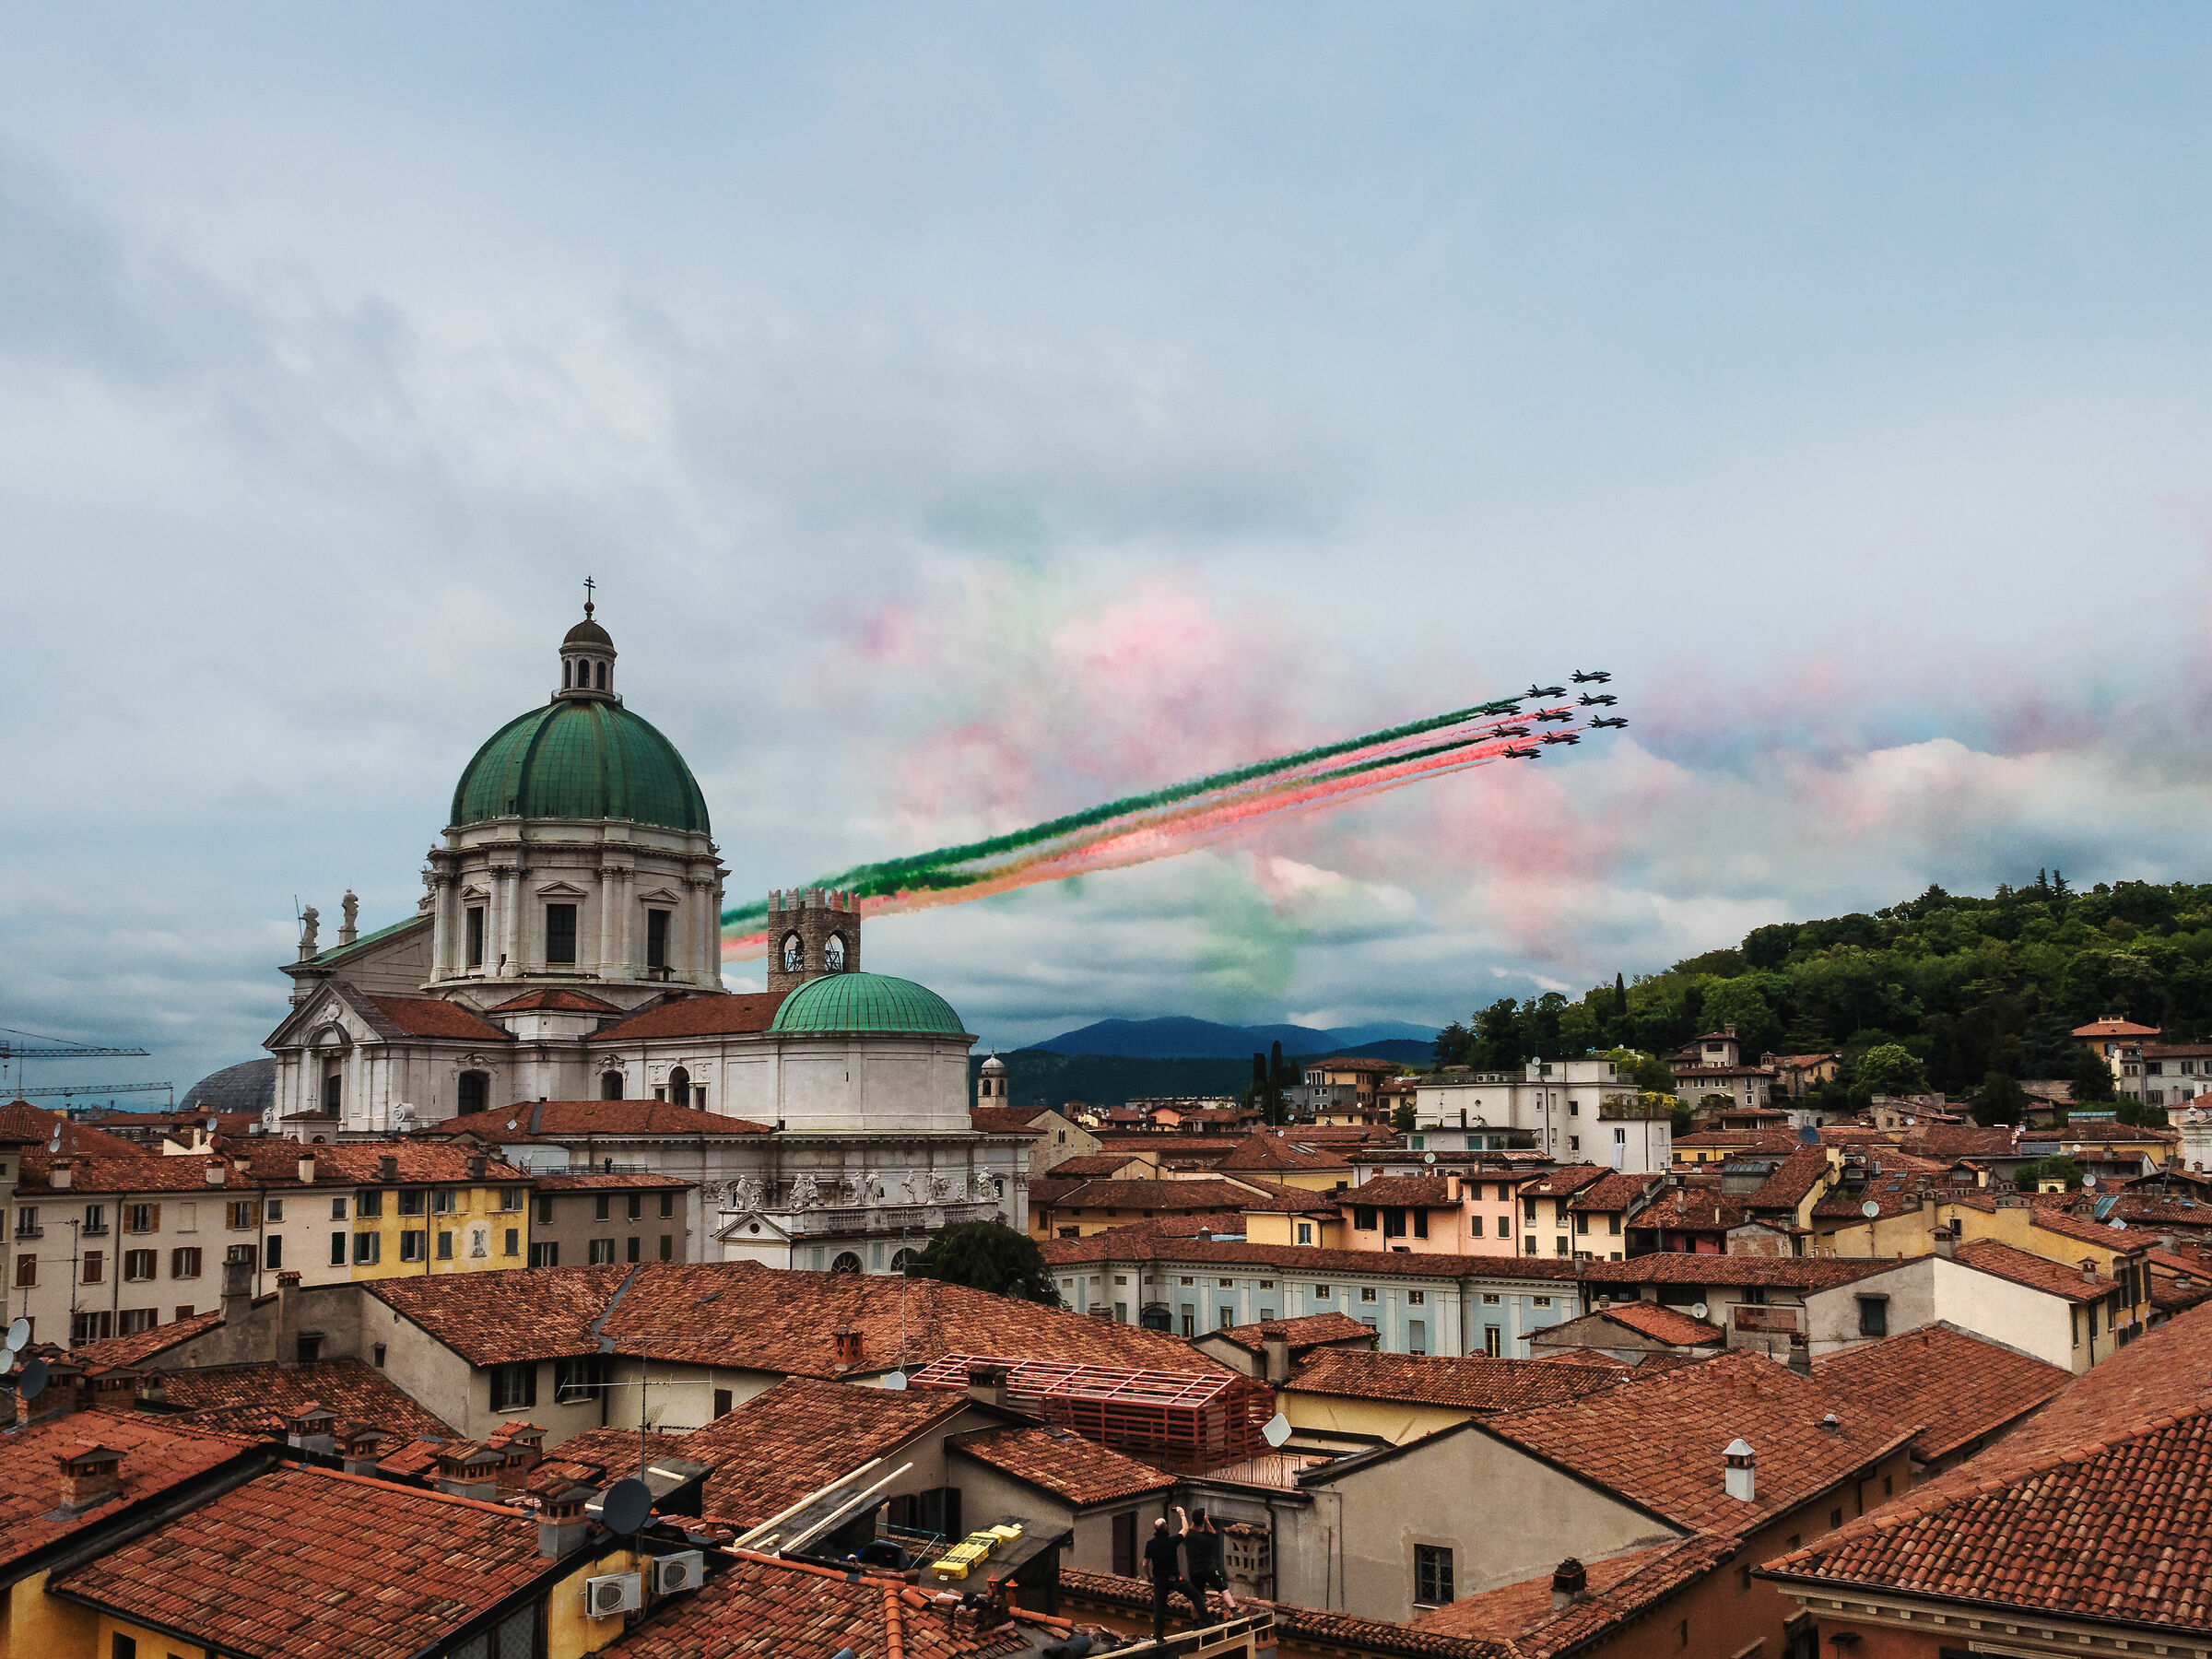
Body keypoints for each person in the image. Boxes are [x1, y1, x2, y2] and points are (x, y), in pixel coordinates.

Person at [1144, 1512, 1205, 1641]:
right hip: (1174, 1578)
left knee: (1159, 1610)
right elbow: (1185, 1529)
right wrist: (1182, 1514)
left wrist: (1148, 1576)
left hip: (1159, 1581)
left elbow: (1145, 1564)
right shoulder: (1172, 1541)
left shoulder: (1150, 1544)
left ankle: (1159, 1637)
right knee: (1194, 1594)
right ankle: (1206, 1619)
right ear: (1166, 1528)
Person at [1181, 1506, 1237, 1614]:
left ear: (1193, 1520)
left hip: (1194, 1571)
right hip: (1209, 1569)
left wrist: (1185, 1517)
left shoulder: (1189, 1537)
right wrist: (1207, 1521)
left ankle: (1196, 1620)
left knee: (1195, 1595)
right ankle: (1234, 1609)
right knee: (1223, 1589)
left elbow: (1186, 1530)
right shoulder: (1207, 1537)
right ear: (1203, 1520)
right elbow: (1214, 1534)